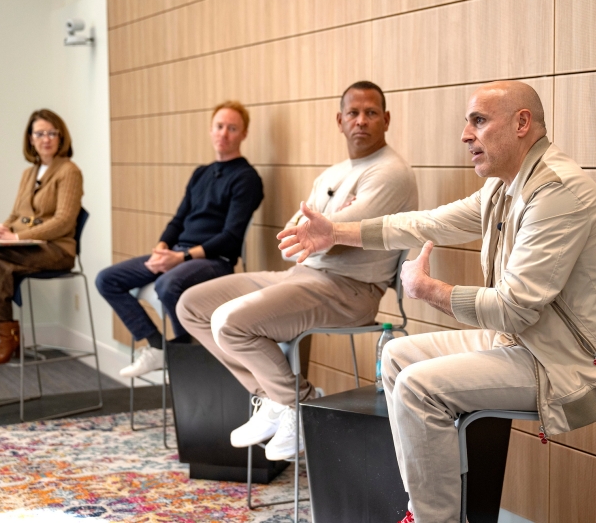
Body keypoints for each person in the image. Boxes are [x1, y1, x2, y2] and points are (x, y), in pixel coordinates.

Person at [277, 80, 596, 523]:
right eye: (468, 122)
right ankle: (426, 511)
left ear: (522, 123)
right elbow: (428, 223)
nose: (466, 134)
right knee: (397, 358)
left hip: (570, 363)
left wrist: (431, 291)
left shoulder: (556, 193)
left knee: (417, 386)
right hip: (527, 342)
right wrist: (335, 231)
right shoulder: (505, 187)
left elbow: (514, 308)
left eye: (479, 121)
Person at [176, 80, 419, 461]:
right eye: (353, 113)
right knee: (192, 305)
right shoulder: (333, 173)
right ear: (339, 120)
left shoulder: (390, 172)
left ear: (386, 119)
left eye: (371, 113)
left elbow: (326, 237)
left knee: (230, 322)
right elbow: (293, 242)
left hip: (349, 290)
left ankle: (298, 405)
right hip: (303, 276)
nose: (361, 121)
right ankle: (272, 397)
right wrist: (334, 223)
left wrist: (329, 227)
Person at [96, 101, 263, 378]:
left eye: (232, 129)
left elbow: (231, 238)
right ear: (210, 130)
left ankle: (187, 351)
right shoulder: (201, 173)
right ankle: (160, 348)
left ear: (243, 134)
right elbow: (178, 220)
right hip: (177, 254)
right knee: (107, 279)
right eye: (219, 127)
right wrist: (162, 248)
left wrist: (181, 257)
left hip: (213, 261)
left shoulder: (247, 178)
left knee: (168, 284)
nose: (224, 134)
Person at [0, 109, 83, 365]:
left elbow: (63, 222)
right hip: (24, 245)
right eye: (40, 133)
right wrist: (0, 231)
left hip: (55, 250)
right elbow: (17, 213)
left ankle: (9, 334)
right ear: (30, 138)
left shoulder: (69, 171)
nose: (46, 139)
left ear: (61, 137)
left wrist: (16, 237)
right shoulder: (29, 173)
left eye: (52, 133)